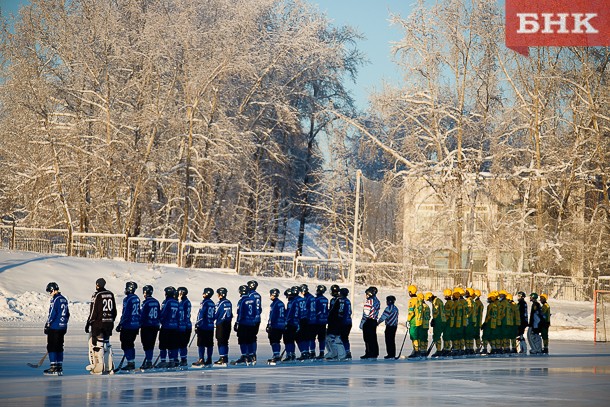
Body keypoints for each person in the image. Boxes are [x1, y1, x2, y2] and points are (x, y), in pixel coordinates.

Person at [86, 278, 117, 374]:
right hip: (109, 323)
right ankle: (109, 367)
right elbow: (114, 311)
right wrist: (111, 320)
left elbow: (93, 311)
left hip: (99, 324)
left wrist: (89, 322)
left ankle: (99, 368)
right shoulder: (111, 294)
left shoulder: (97, 295)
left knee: (98, 345)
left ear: (97, 285)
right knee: (107, 344)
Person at [44, 282, 70, 375]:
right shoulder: (64, 299)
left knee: (51, 347)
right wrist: (64, 324)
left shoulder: (55, 299)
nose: (50, 293)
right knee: (59, 347)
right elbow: (68, 314)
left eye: (50, 291)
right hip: (62, 327)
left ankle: (53, 367)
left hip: (54, 327)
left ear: (53, 290)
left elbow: (52, 313)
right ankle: (59, 367)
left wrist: (47, 324)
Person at [116, 281, 140, 371]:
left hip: (128, 325)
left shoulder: (128, 299)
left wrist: (120, 324)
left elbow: (126, 313)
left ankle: (130, 362)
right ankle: (131, 361)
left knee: (126, 344)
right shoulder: (137, 298)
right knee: (130, 344)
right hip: (135, 325)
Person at [233, 284, 257, 365]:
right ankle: (251, 355)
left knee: (242, 340)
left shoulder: (242, 301)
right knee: (250, 340)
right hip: (252, 323)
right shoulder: (253, 300)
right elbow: (256, 312)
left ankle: (244, 356)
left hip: (244, 323)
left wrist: (237, 322)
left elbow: (240, 313)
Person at [192, 287, 216, 368]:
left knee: (201, 343)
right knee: (209, 344)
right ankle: (209, 359)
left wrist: (197, 324)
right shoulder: (212, 303)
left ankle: (201, 359)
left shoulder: (204, 302)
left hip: (204, 326)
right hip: (210, 326)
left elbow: (201, 314)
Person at [157, 286, 180, 368]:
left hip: (166, 326)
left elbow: (164, 313)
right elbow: (178, 315)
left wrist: (160, 320)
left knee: (163, 345)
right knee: (172, 345)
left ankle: (163, 361)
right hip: (174, 327)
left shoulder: (168, 302)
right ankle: (172, 361)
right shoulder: (176, 303)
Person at [139, 284, 160, 370]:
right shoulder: (156, 301)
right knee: (151, 344)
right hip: (155, 325)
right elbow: (159, 313)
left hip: (147, 326)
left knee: (146, 344)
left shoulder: (145, 302)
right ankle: (149, 359)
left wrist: (139, 323)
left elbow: (142, 315)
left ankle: (148, 361)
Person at [325, 285, 346, 361]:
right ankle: (338, 354)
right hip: (338, 321)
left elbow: (332, 311)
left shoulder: (335, 300)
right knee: (334, 337)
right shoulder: (342, 299)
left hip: (334, 321)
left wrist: (328, 318)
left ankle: (337, 354)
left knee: (333, 337)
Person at [214, 287, 233, 366]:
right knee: (225, 341)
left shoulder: (220, 303)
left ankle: (222, 358)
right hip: (228, 323)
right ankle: (225, 357)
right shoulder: (229, 302)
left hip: (221, 323)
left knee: (220, 340)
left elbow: (216, 313)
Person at [360, 286, 380, 359]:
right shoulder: (377, 300)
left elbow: (366, 313)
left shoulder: (369, 301)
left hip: (368, 321)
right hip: (374, 321)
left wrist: (362, 323)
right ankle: (375, 352)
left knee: (367, 338)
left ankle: (369, 353)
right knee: (373, 337)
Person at [266, 288, 286, 364]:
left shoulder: (275, 304)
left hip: (276, 325)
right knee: (277, 340)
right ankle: (276, 354)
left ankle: (276, 355)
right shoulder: (281, 303)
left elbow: (273, 316)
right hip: (281, 324)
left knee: (274, 340)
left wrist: (270, 324)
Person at [283, 287, 300, 362]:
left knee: (288, 339)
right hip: (294, 323)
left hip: (291, 323)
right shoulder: (295, 301)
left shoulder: (292, 302)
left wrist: (286, 321)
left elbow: (290, 314)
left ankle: (289, 354)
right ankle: (292, 353)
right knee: (291, 340)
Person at [312, 284, 329, 359]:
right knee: (322, 338)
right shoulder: (325, 299)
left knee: (312, 337)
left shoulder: (316, 299)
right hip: (324, 320)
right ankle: (322, 352)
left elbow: (315, 310)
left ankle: (312, 352)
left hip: (317, 321)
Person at [300, 283, 317, 359]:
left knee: (307, 337)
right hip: (314, 319)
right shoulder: (312, 297)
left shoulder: (307, 298)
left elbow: (306, 309)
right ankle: (312, 352)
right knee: (312, 338)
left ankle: (308, 352)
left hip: (309, 320)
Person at [425, 292, 444, 358]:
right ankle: (440, 349)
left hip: (439, 320)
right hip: (441, 319)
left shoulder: (435, 302)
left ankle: (438, 350)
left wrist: (434, 319)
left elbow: (436, 311)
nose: (429, 301)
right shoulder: (439, 300)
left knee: (436, 335)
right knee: (438, 335)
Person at [247, 280, 262, 362]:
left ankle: (250, 354)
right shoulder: (258, 295)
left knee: (249, 337)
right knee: (253, 337)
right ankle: (253, 354)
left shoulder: (250, 295)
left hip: (251, 319)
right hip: (257, 318)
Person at [177, 287, 192, 367]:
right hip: (186, 325)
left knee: (181, 344)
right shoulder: (186, 301)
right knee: (182, 344)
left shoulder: (184, 302)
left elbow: (183, 315)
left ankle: (183, 360)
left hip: (184, 326)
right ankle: (183, 359)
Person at [406, 284, 421, 358]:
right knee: (418, 337)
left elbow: (411, 312)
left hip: (414, 321)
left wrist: (408, 320)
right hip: (420, 321)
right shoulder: (419, 299)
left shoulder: (412, 301)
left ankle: (416, 351)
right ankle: (418, 350)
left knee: (413, 337)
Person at [340, 287, 353, 360]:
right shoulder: (348, 301)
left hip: (344, 322)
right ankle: (347, 352)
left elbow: (342, 311)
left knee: (343, 338)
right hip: (349, 321)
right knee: (345, 338)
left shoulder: (342, 301)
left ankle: (345, 352)